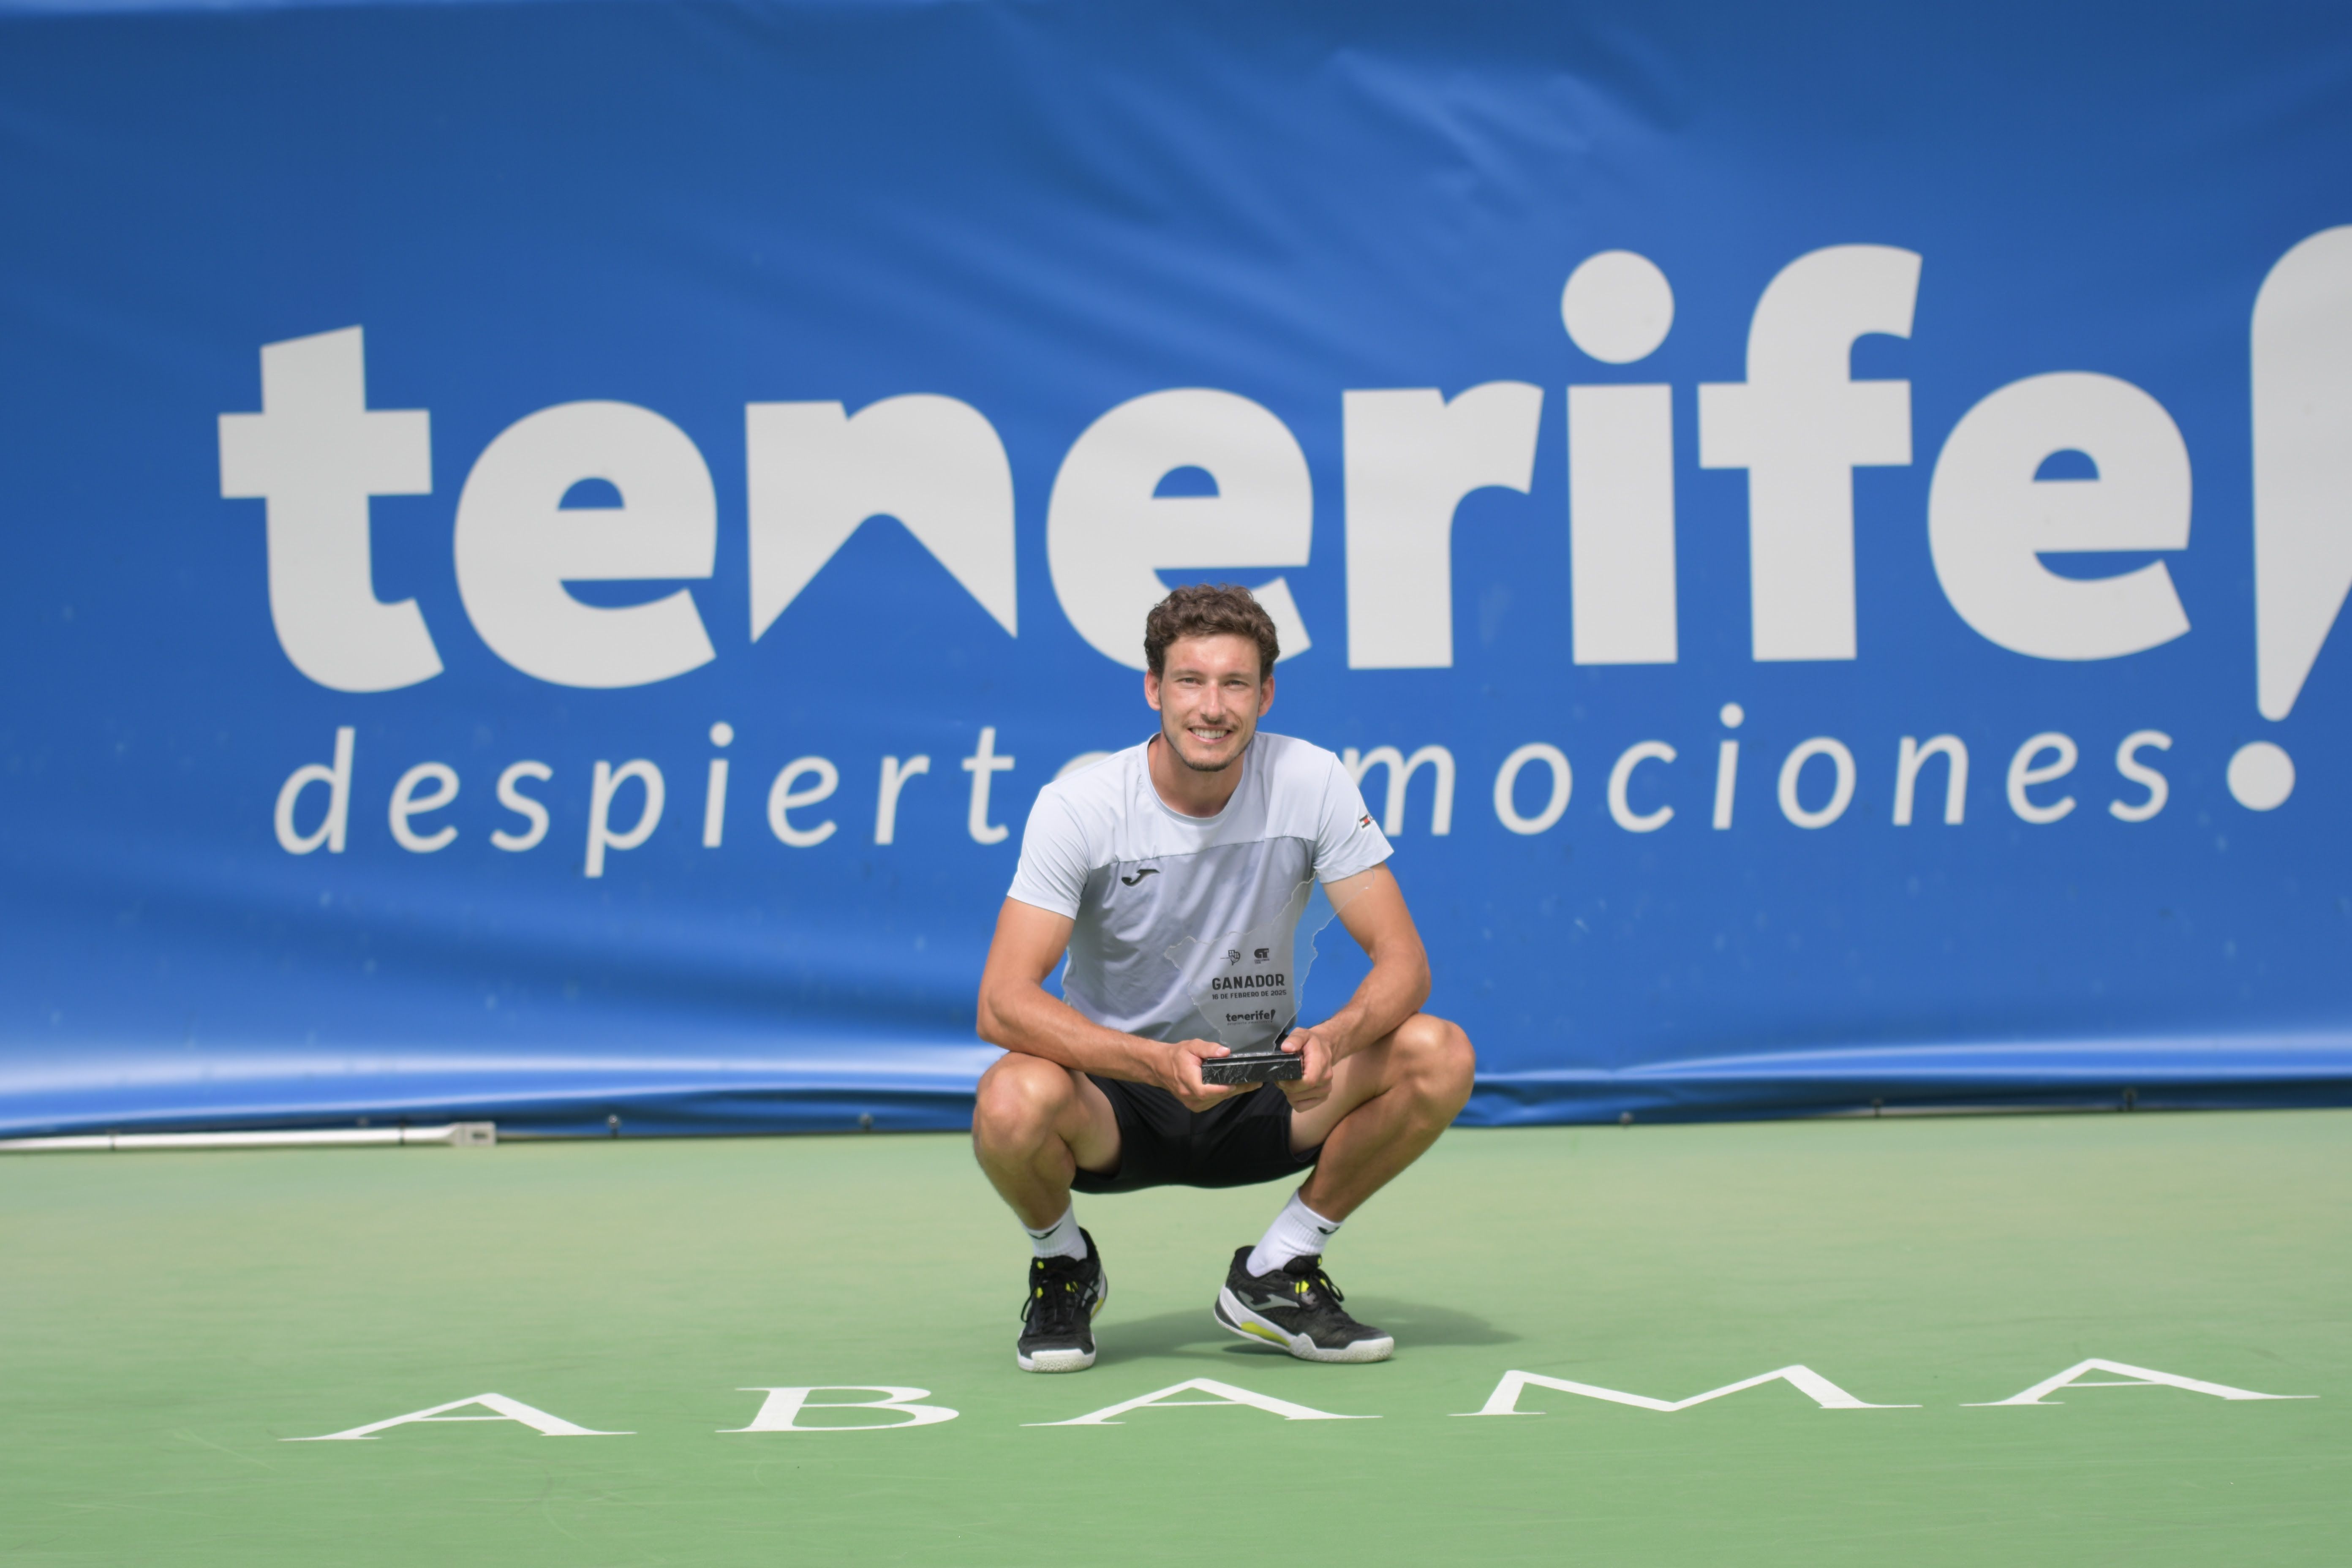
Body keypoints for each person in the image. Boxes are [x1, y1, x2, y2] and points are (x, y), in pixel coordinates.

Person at [973, 583, 1475, 1372]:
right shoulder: (1080, 808)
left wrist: (1330, 1041)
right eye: (1190, 682)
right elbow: (1002, 1002)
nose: (1213, 707)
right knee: (1008, 1099)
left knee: (1438, 1052)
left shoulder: (1311, 782)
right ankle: (1064, 1264)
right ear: (1154, 690)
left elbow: (1406, 965)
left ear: (1265, 694)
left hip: (1265, 1088)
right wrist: (1151, 1063)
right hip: (1117, 1101)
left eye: (1235, 684)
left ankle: (1279, 1270)